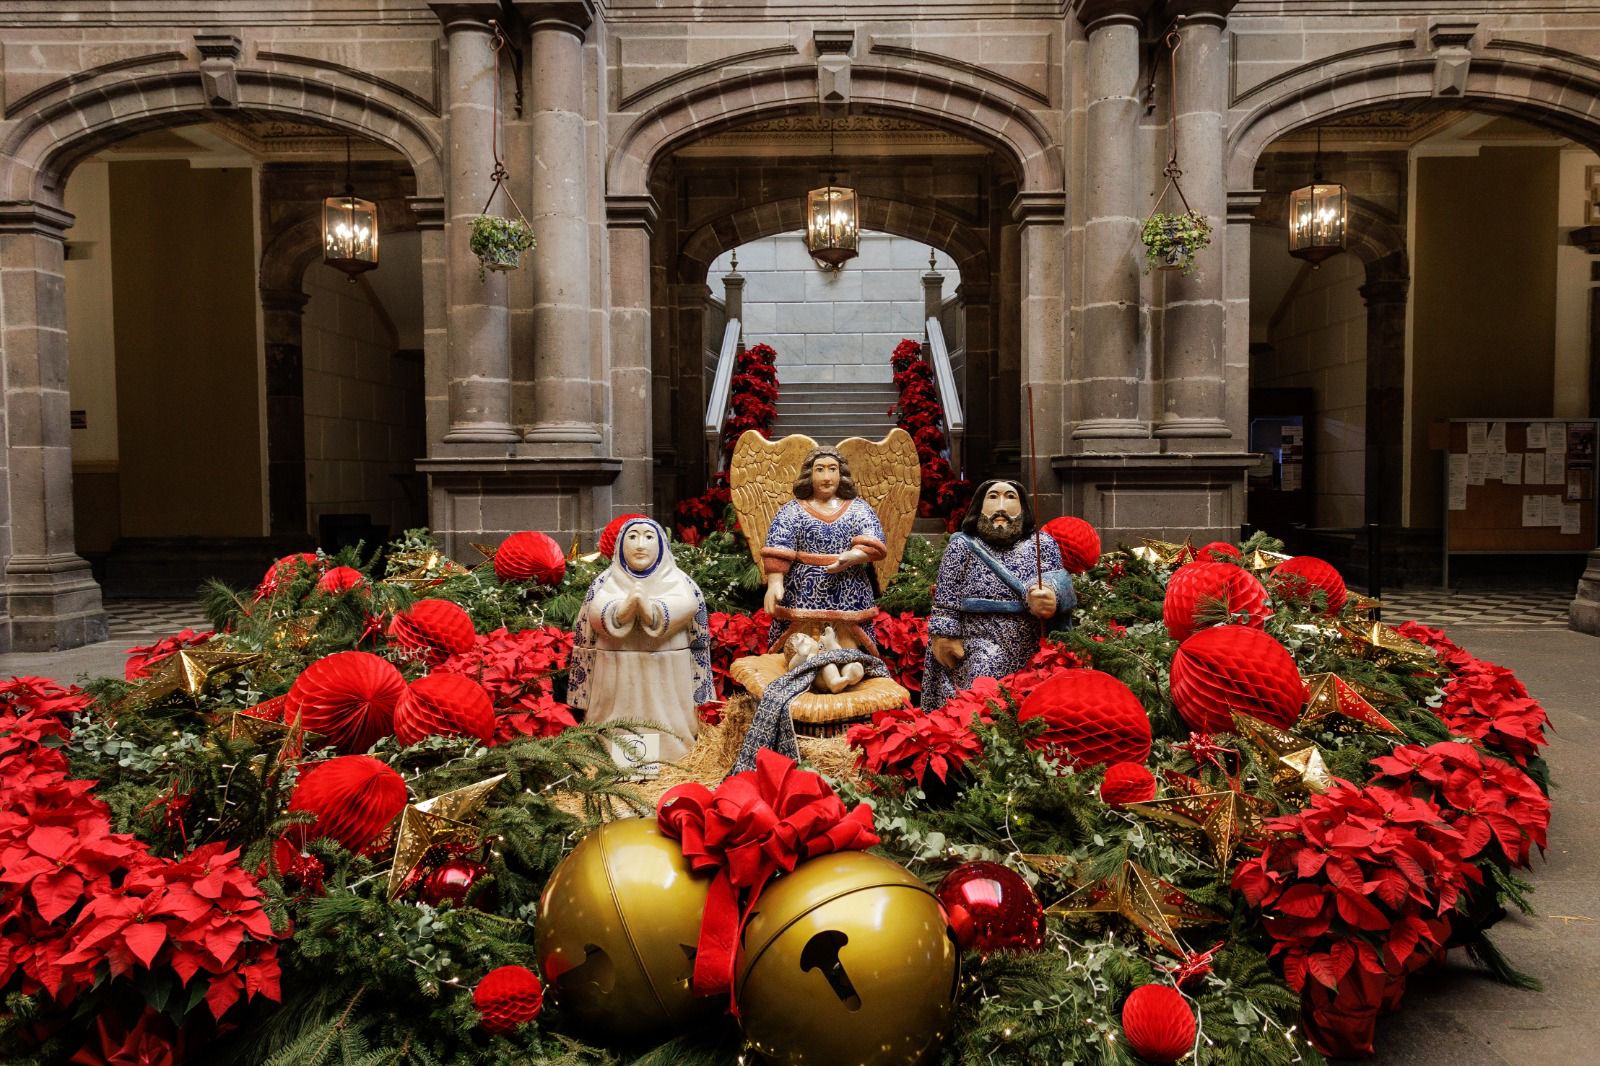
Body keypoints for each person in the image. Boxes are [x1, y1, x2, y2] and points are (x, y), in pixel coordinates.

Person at [920, 479, 1076, 710]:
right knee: (981, 686)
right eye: (993, 497)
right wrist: (943, 635)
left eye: (1010, 497)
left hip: (1031, 641)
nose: (1001, 506)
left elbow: (1061, 580)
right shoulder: (962, 546)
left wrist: (1051, 594)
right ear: (979, 506)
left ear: (1023, 506)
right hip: (978, 639)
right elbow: (946, 598)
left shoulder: (1041, 544)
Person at [568, 516, 712, 764]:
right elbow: (595, 615)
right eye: (632, 537)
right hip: (615, 670)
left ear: (661, 545)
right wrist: (623, 609)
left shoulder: (679, 581)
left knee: (666, 723)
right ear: (620, 545)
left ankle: (668, 754)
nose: (640, 544)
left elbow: (686, 605)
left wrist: (649, 609)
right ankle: (616, 754)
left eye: (648, 537)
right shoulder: (605, 581)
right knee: (616, 725)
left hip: (666, 671)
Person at [760, 447, 888, 657]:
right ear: (809, 474)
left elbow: (873, 540)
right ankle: (804, 676)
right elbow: (779, 543)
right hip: (801, 591)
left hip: (848, 587)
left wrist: (854, 555)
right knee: (800, 646)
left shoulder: (858, 509)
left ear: (841, 474)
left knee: (847, 645)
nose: (827, 477)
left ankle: (847, 670)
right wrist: (775, 581)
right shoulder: (793, 510)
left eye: (832, 469)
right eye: (820, 469)